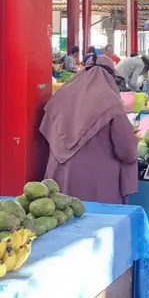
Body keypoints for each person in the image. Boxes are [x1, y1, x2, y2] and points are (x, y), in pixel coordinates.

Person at [40, 55, 139, 204]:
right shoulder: (110, 101)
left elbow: (46, 130)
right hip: (97, 184)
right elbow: (127, 150)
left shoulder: (60, 96)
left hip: (58, 178)